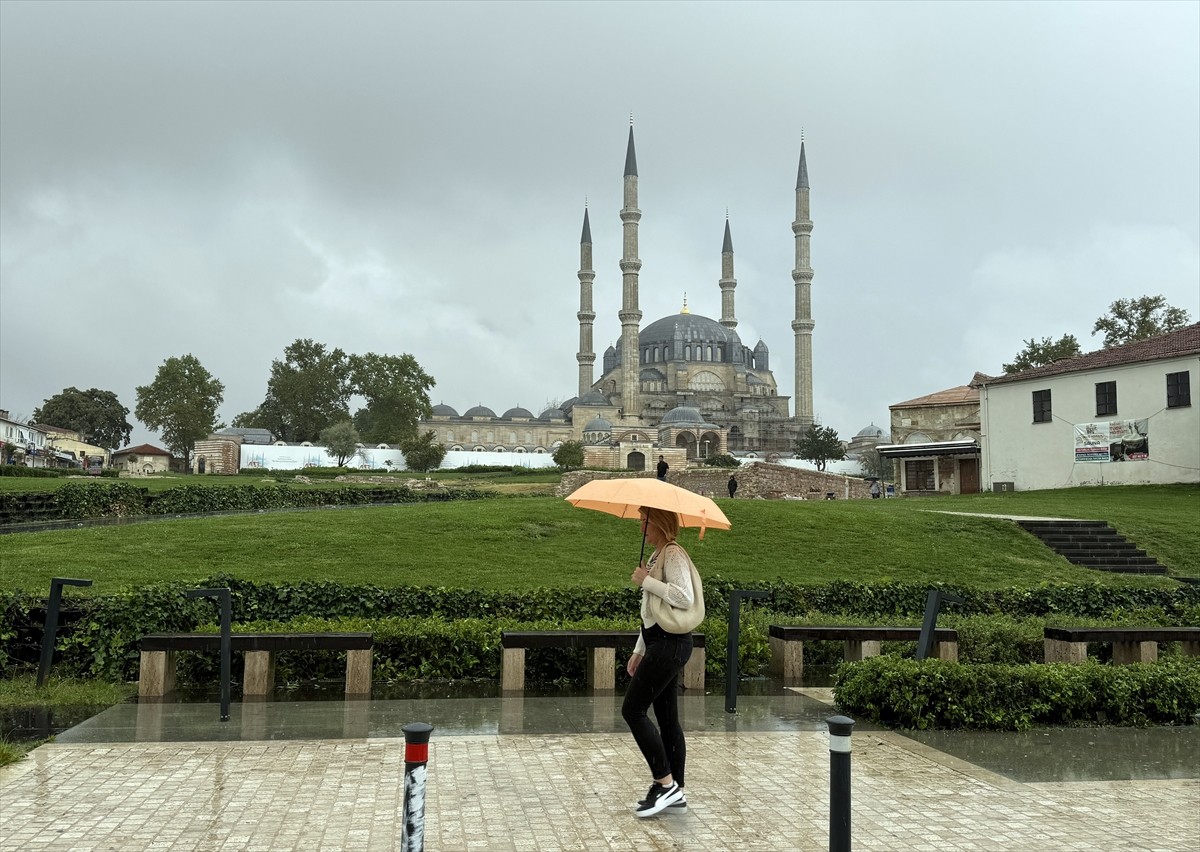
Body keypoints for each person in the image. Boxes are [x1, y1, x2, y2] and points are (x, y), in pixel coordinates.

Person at [623, 506, 705, 818]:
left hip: (670, 645)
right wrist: (639, 649)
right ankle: (676, 791)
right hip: (659, 643)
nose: (641, 525)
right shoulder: (658, 556)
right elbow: (653, 613)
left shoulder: (673, 554)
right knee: (667, 717)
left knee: (632, 710)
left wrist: (646, 581)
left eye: (645, 520)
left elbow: (683, 597)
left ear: (659, 522)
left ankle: (665, 783)